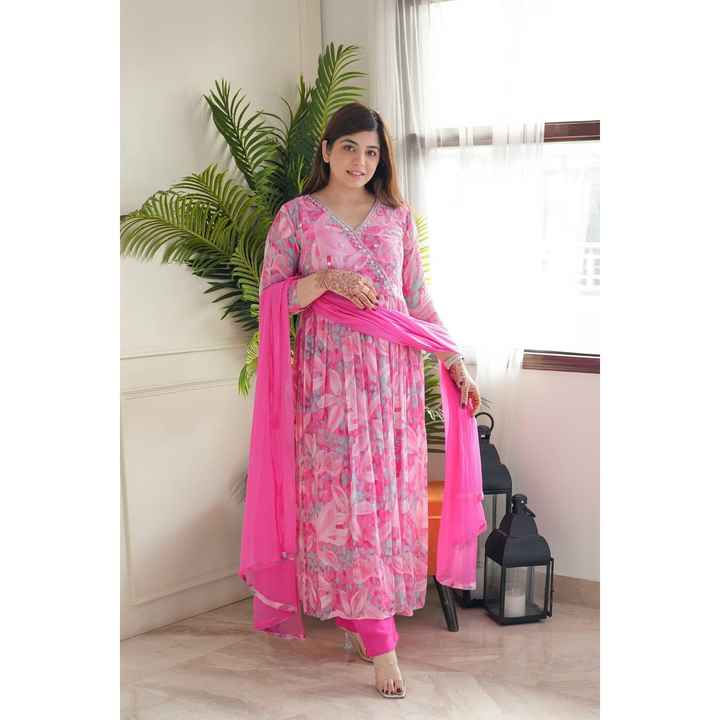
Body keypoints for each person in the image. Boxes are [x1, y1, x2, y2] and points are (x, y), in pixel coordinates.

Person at [256, 101, 482, 698]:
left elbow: (417, 299)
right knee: (341, 502)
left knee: (382, 505)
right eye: (350, 148)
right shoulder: (296, 217)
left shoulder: (396, 219)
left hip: (392, 384)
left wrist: (454, 362)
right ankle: (381, 643)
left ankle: (365, 621)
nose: (361, 161)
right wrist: (326, 280)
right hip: (329, 386)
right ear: (326, 151)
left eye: (372, 151)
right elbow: (274, 297)